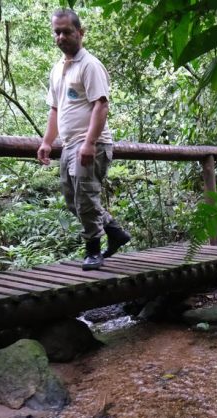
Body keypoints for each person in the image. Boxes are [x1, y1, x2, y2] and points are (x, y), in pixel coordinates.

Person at [36, 8, 130, 271]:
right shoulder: (57, 69)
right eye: (57, 32)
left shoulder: (90, 65)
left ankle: (93, 250)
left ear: (80, 32)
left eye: (66, 31)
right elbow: (55, 109)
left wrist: (90, 142)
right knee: (72, 200)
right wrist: (46, 142)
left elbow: (101, 106)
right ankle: (114, 231)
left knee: (85, 198)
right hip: (68, 144)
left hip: (91, 143)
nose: (61, 37)